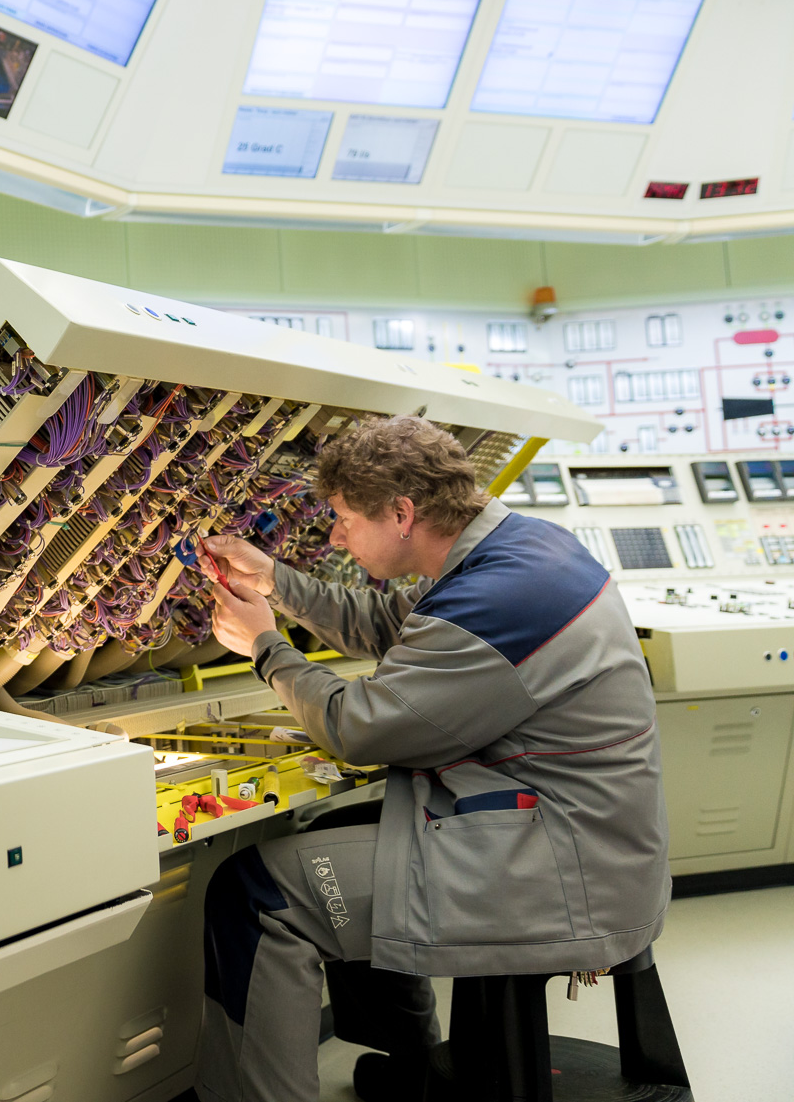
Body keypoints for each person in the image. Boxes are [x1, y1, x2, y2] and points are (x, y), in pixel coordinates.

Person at [192, 416, 668, 1102]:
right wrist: (276, 584)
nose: (333, 536)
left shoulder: (497, 598)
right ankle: (414, 1064)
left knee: (258, 894)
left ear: (402, 513)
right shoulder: (513, 551)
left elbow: (358, 726)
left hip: (563, 867)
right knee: (327, 840)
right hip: (577, 832)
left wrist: (267, 649)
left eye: (343, 518)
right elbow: (386, 624)